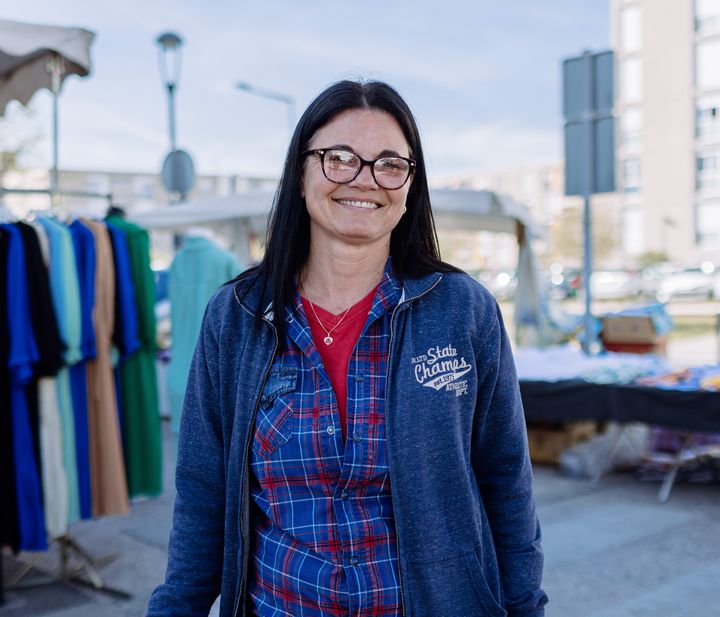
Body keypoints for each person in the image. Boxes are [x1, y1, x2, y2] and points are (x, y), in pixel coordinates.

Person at [147, 79, 548, 617]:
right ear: (302, 171)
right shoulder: (236, 316)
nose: (365, 178)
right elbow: (202, 491)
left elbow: (506, 479)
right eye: (339, 158)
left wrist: (526, 608)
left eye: (389, 163)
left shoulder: (463, 310)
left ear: (410, 184)